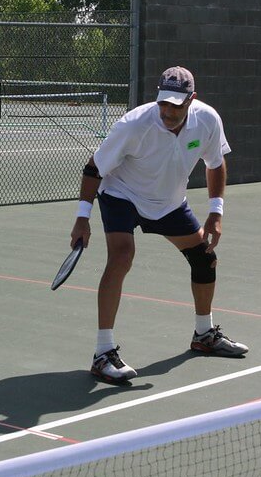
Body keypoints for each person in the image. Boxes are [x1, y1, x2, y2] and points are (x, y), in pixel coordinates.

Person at [70, 66, 248, 384]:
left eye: (176, 105)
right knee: (122, 256)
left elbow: (216, 163)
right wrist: (82, 218)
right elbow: (93, 168)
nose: (167, 111)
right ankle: (102, 353)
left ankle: (203, 334)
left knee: (204, 257)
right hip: (122, 194)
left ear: (191, 100)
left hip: (167, 203)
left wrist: (215, 212)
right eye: (163, 102)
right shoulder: (134, 125)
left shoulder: (207, 121)